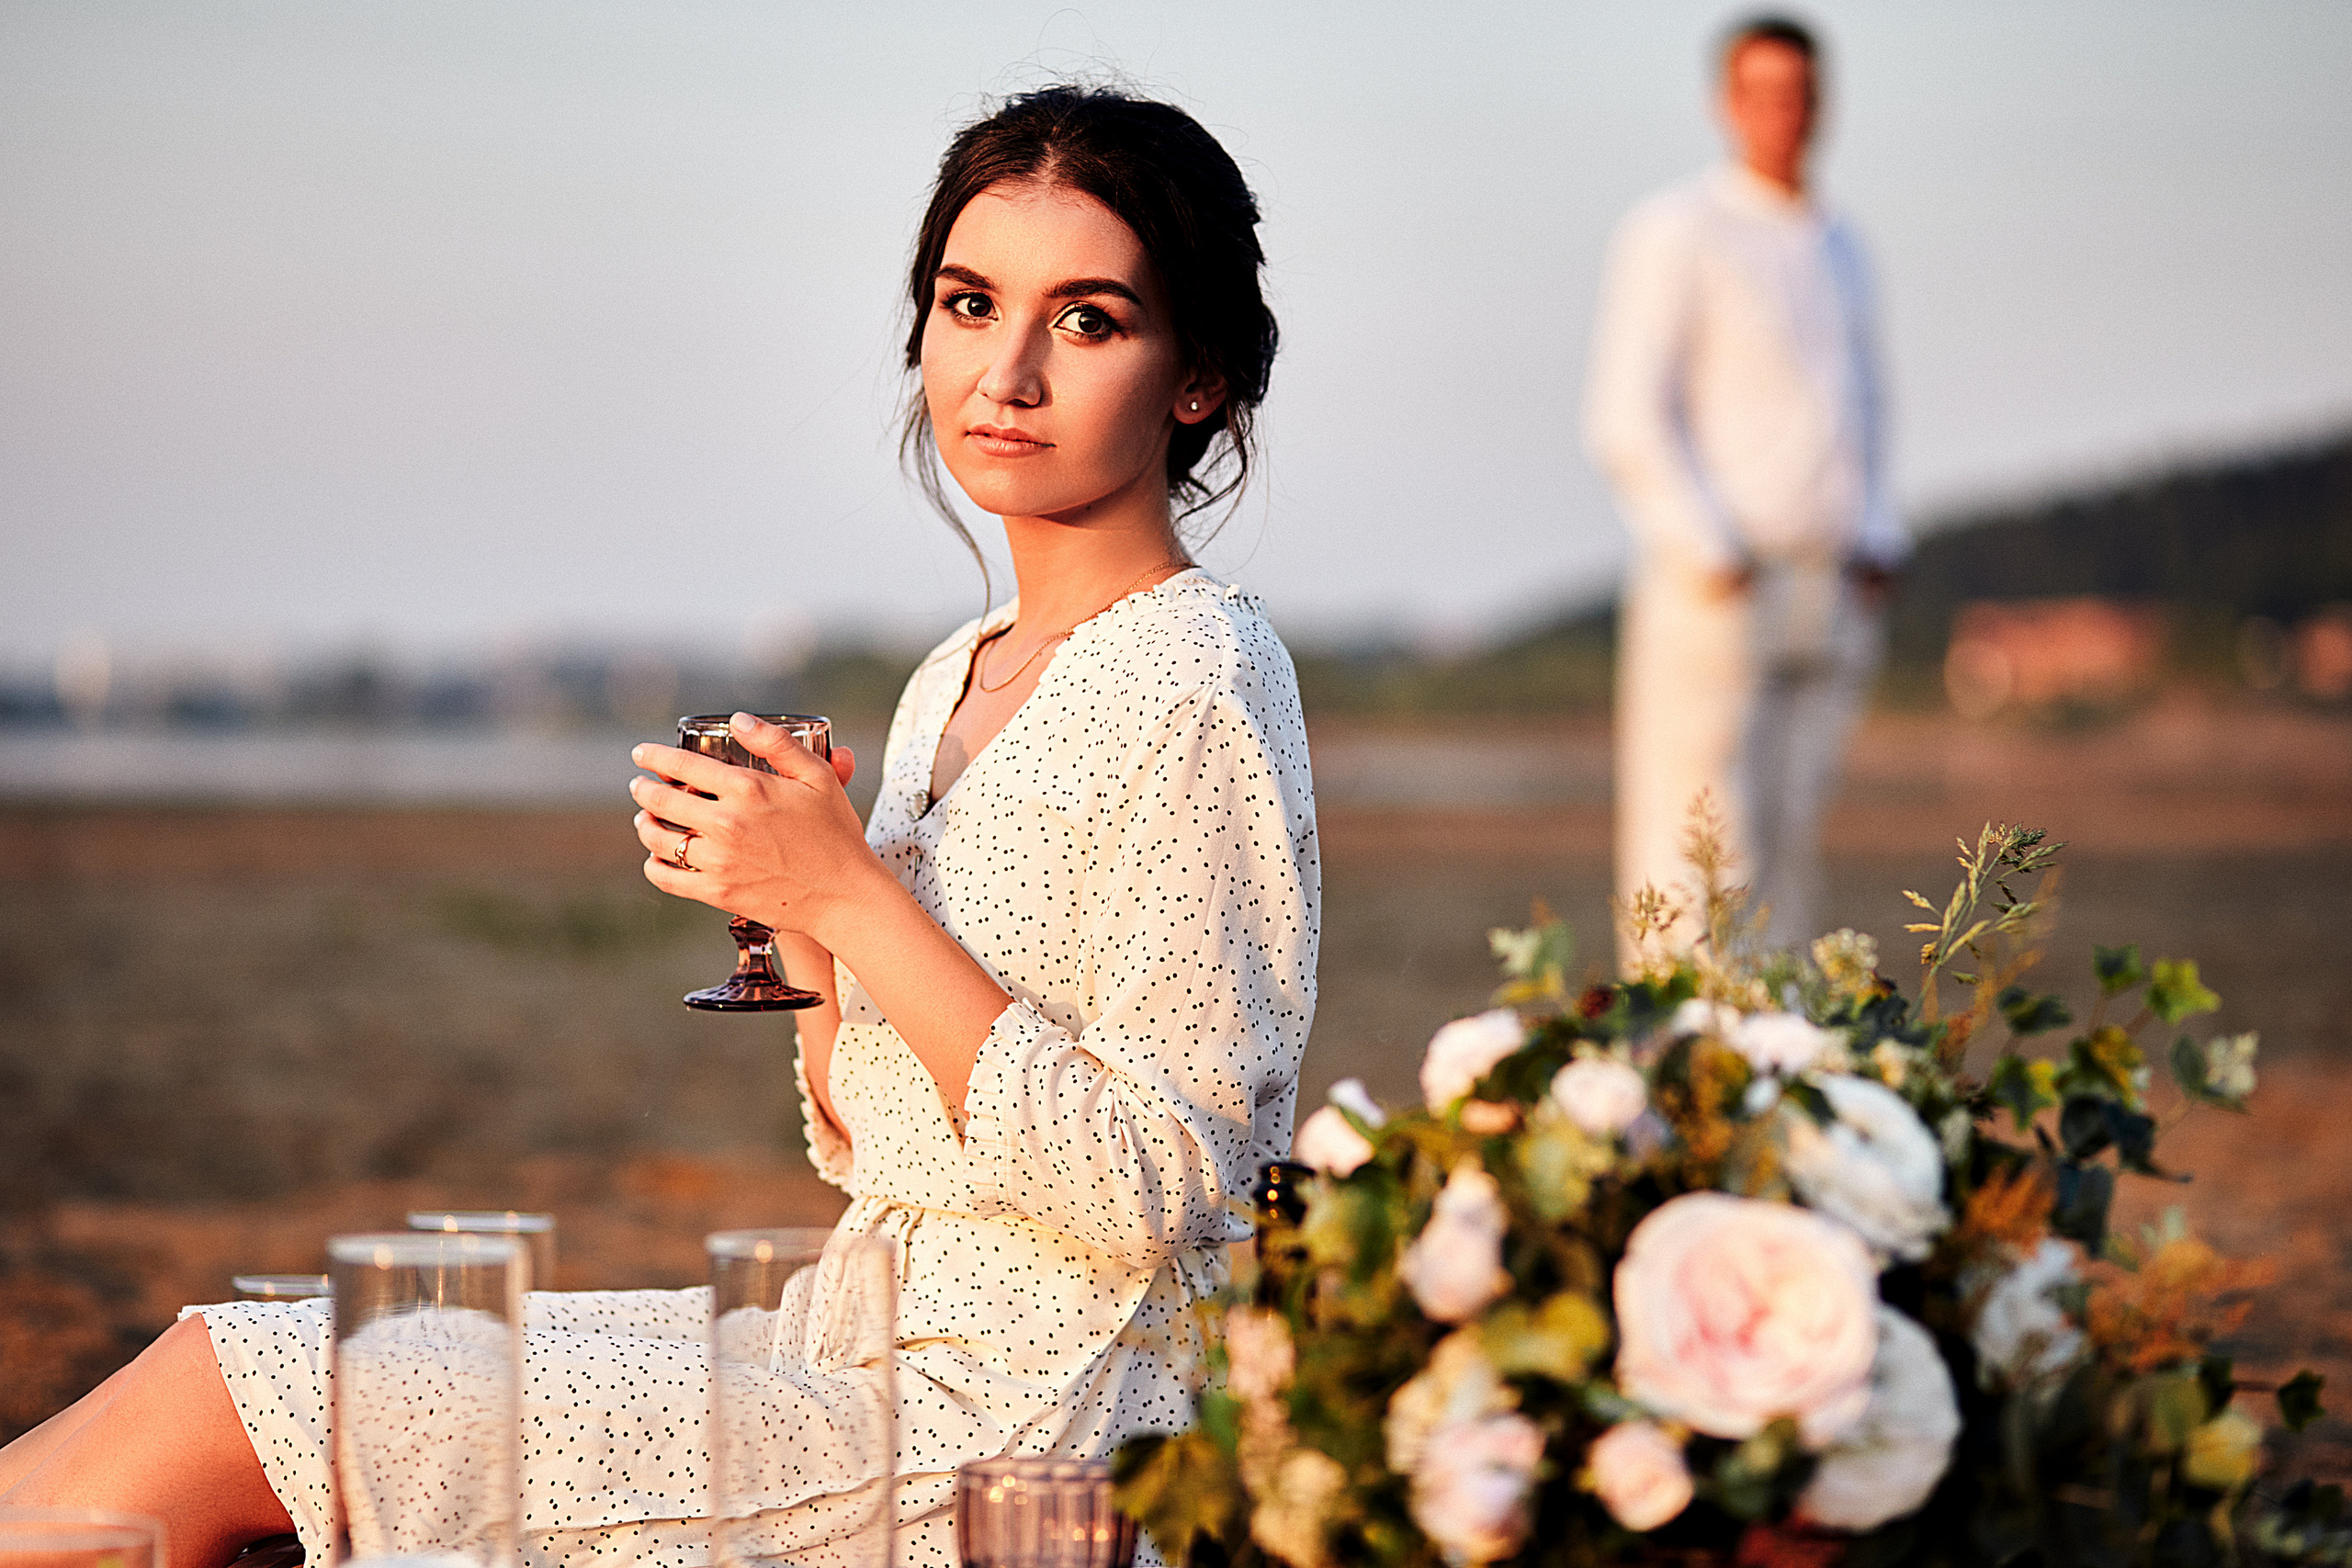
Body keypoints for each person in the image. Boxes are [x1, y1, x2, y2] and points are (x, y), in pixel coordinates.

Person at [0, 84, 1318, 1568]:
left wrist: (863, 900)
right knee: (247, 1358)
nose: (1005, 368)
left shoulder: (1199, 667)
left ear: (1196, 375)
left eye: (1088, 319)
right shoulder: (962, 665)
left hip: (1038, 1421)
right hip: (851, 1333)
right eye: (968, 303)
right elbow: (873, 1138)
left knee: (245, 1403)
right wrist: (802, 921)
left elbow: (1174, 1183)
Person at [1584, 14, 1905, 957]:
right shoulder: (1678, 230)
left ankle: (1781, 1068)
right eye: (1761, 95)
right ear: (1724, 105)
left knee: (1793, 839)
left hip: (1832, 583)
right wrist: (1707, 549)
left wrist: (1879, 534)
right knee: (1697, 843)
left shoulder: (1844, 243)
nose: (1784, 116)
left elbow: (1869, 400)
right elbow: (1623, 411)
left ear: (1824, 103)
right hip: (1722, 580)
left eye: (1800, 95)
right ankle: (1687, 1066)